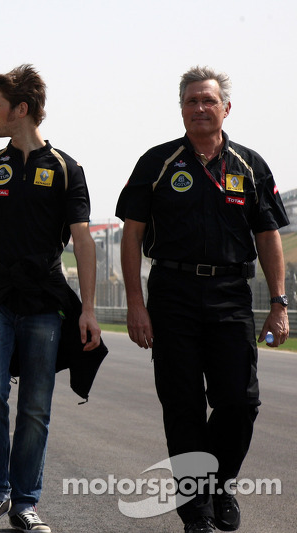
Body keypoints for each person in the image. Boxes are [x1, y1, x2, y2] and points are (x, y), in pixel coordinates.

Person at [116, 66, 289, 533]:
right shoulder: (157, 163)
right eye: (191, 101)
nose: (199, 108)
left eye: (207, 101)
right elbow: (130, 236)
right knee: (183, 405)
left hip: (231, 296)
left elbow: (269, 235)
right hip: (172, 296)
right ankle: (196, 514)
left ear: (225, 108)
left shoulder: (249, 165)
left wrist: (279, 302)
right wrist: (136, 303)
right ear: (181, 109)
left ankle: (219, 484)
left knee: (240, 402)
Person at [0, 64, 101, 533]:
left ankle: (25, 504)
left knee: (35, 405)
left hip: (45, 304)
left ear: (20, 109)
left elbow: (83, 242)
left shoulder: (67, 169)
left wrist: (87, 309)